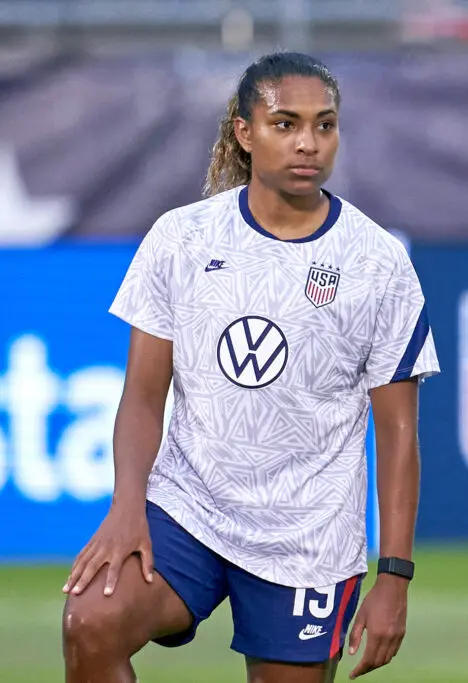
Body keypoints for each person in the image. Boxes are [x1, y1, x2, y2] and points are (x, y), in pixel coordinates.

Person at [61, 52, 439, 683]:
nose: (308, 143)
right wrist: (128, 506)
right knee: (90, 622)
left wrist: (394, 576)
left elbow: (399, 434)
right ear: (244, 131)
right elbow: (143, 395)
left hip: (309, 539)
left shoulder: (378, 261)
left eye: (324, 125)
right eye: (285, 124)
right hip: (190, 510)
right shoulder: (182, 238)